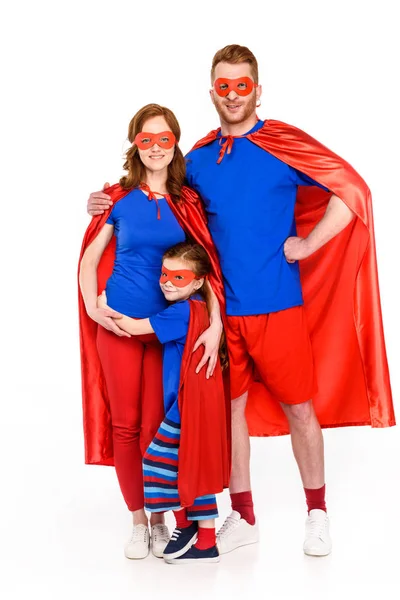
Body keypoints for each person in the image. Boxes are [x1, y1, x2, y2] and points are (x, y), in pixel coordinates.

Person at [87, 45, 394, 558]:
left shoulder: (282, 146)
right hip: (220, 316)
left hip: (278, 306)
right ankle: (243, 517)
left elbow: (352, 192)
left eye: (242, 85)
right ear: (212, 92)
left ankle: (316, 513)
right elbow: (156, 191)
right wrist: (105, 201)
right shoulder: (201, 159)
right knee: (229, 416)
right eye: (223, 86)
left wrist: (307, 244)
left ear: (257, 89)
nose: (232, 95)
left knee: (301, 410)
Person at [78, 104, 226, 560]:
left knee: (157, 426)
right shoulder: (117, 197)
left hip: (168, 333)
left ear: (175, 143)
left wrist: (216, 325)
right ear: (135, 144)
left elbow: (209, 270)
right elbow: (88, 258)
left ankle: (163, 517)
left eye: (165, 139)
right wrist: (93, 308)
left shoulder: (189, 202)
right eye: (147, 139)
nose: (157, 148)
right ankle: (140, 523)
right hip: (119, 325)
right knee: (125, 426)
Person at [98, 241, 229, 564]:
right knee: (192, 464)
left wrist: (102, 302)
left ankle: (185, 526)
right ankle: (205, 539)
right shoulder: (197, 305)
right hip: (193, 402)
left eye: (179, 277)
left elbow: (132, 327)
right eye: (165, 273)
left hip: (186, 404)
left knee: (158, 461)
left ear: (198, 281)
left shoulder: (182, 311)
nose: (168, 282)